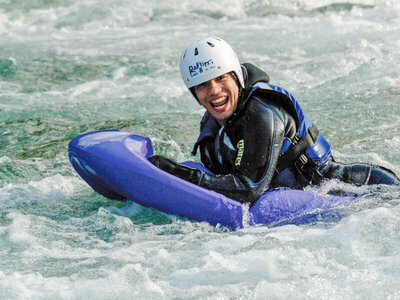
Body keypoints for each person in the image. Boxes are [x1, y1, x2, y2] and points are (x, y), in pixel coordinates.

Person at [148, 37, 400, 205]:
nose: (213, 90)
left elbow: (248, 189)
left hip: (365, 192)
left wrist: (176, 173)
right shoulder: (213, 125)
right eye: (202, 85)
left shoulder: (262, 114)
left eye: (220, 78)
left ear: (236, 77)